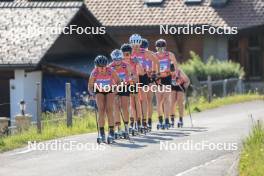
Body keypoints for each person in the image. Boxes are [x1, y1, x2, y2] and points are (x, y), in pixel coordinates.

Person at [129, 34, 159, 132]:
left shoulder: (145, 52)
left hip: (144, 77)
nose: (136, 47)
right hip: (133, 78)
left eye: (137, 45)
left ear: (140, 44)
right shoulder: (128, 53)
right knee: (133, 101)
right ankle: (133, 122)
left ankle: (145, 121)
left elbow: (156, 61)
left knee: (144, 99)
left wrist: (155, 72)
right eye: (134, 45)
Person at [88, 55, 120, 143]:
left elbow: (118, 81)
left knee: (109, 109)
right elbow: (90, 86)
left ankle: (111, 132)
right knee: (101, 110)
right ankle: (101, 133)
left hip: (110, 89)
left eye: (103, 67)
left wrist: (116, 90)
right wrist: (92, 93)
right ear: (96, 66)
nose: (102, 69)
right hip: (99, 90)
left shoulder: (111, 71)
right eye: (99, 67)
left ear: (106, 66)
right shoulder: (94, 72)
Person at [155, 39, 177, 129]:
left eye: (162, 48)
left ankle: (167, 119)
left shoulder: (170, 55)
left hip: (167, 78)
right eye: (158, 48)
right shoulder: (154, 56)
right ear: (156, 48)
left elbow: (175, 65)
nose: (160, 50)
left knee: (166, 99)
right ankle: (160, 120)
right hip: (158, 79)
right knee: (159, 100)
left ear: (165, 48)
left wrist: (175, 74)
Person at [120, 43, 142, 135]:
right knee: (127, 103)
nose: (126, 56)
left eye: (128, 54)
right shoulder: (119, 61)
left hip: (133, 82)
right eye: (124, 54)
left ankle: (138, 123)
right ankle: (130, 122)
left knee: (135, 101)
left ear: (131, 53)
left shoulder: (134, 60)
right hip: (124, 83)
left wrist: (139, 63)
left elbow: (141, 72)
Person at [109, 49, 130, 139]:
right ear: (113, 59)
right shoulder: (110, 67)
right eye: (115, 60)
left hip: (125, 86)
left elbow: (130, 76)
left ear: (121, 58)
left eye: (119, 59)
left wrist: (125, 82)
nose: (117, 62)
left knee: (124, 107)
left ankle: (126, 127)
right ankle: (118, 128)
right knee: (116, 107)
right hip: (115, 87)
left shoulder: (126, 65)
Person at [140, 38, 154, 130]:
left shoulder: (150, 54)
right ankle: (144, 120)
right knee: (142, 101)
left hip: (149, 79)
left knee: (148, 101)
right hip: (141, 77)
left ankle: (148, 120)